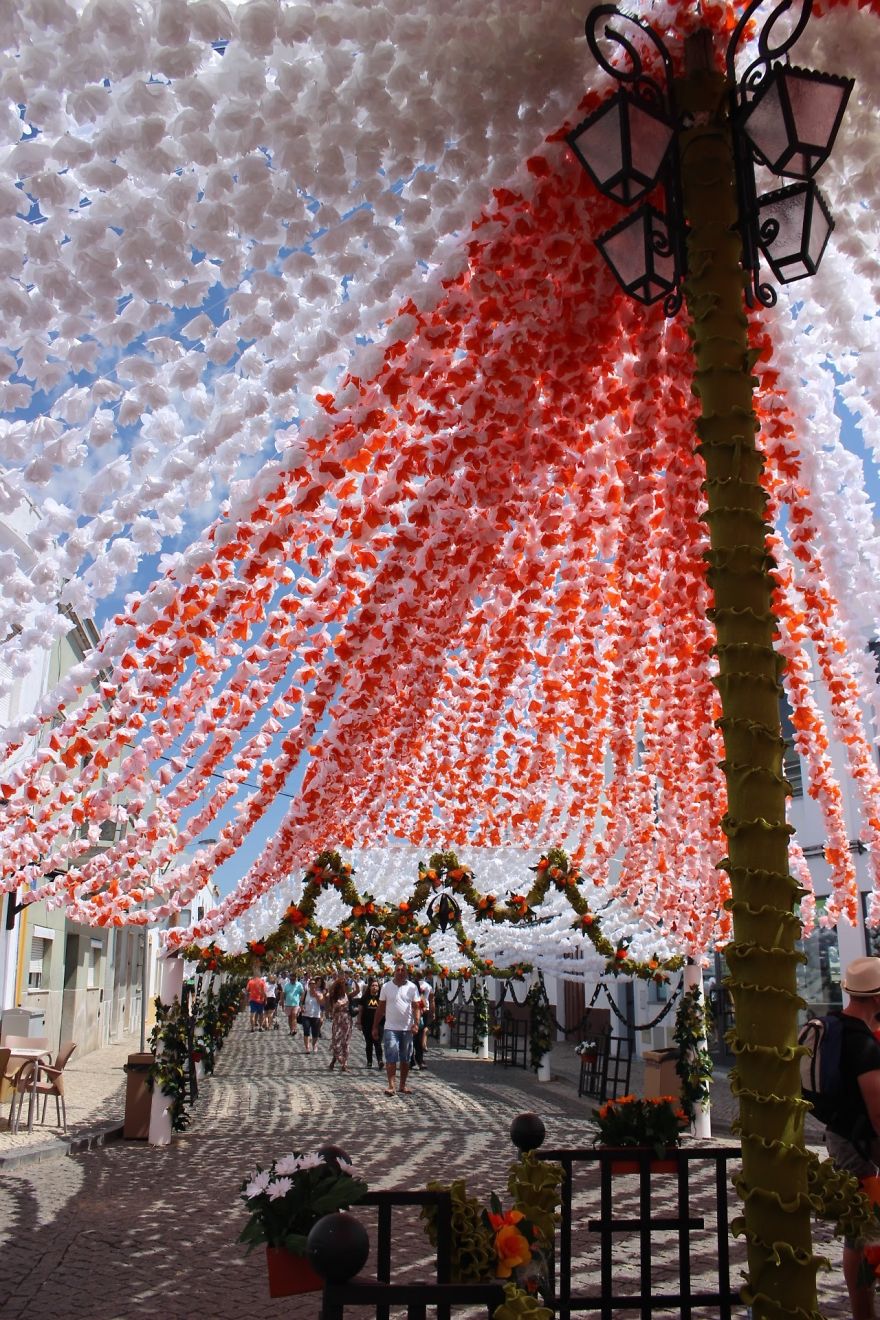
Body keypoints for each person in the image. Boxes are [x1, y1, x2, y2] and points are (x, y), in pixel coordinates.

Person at [823, 956, 880, 1319]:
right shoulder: (862, 1043)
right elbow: (879, 1112)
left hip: (838, 1139)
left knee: (858, 1233)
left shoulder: (835, 1028)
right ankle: (865, 1312)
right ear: (876, 998)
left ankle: (864, 1311)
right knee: (867, 1235)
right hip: (863, 1148)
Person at [373, 962, 421, 1096]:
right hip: (390, 1028)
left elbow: (416, 1007)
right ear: (394, 972)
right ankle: (391, 1085)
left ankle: (402, 1085)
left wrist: (416, 1023)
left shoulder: (412, 988)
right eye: (398, 970)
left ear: (406, 973)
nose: (400, 972)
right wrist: (375, 1026)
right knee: (391, 1056)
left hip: (407, 1028)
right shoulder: (386, 987)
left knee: (405, 1058)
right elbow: (381, 1008)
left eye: (403, 970)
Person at [326, 971, 352, 1072]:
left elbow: (357, 991)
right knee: (336, 1041)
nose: (343, 988)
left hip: (346, 1020)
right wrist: (337, 981)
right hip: (337, 1020)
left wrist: (352, 980)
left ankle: (344, 1064)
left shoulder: (347, 995)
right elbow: (329, 991)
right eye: (341, 987)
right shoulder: (333, 996)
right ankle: (337, 1059)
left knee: (345, 1042)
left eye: (344, 986)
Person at [358, 977, 384, 1070]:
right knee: (369, 1043)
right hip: (367, 1024)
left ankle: (380, 1060)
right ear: (369, 987)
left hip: (379, 1024)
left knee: (378, 1042)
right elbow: (360, 1011)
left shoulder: (382, 998)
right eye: (372, 985)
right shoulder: (365, 998)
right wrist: (359, 1022)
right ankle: (369, 1062)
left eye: (376, 986)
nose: (374, 987)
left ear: (379, 987)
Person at [413, 971, 435, 1070]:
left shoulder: (411, 984)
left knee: (414, 1036)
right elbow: (431, 1000)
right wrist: (432, 1012)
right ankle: (419, 1058)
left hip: (415, 1011)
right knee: (419, 1035)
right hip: (424, 1011)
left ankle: (414, 1059)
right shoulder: (428, 986)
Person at [300, 976, 325, 1055]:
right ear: (309, 985)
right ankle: (307, 1048)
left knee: (315, 1033)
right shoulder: (306, 992)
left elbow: (321, 1003)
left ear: (316, 985)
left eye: (314, 984)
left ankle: (314, 1044)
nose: (312, 985)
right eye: (311, 983)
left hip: (316, 1015)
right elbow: (301, 1002)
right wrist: (301, 1008)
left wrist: (316, 995)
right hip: (306, 1015)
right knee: (306, 1032)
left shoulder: (319, 993)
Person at [283, 969, 305, 1037]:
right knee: (290, 1017)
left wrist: (301, 1001)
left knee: (294, 1015)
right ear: (290, 978)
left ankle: (294, 1029)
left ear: (295, 977)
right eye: (291, 977)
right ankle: (291, 1029)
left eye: (294, 977)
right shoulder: (286, 985)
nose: (292, 978)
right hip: (288, 1004)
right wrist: (281, 1001)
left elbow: (303, 993)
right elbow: (283, 993)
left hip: (296, 1004)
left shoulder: (299, 985)